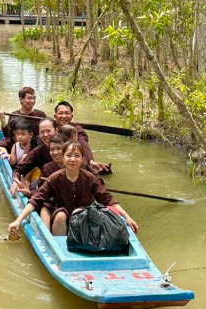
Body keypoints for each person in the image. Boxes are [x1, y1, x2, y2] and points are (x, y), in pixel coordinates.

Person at [8, 142, 138, 237]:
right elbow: (36, 199)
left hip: (83, 217)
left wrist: (127, 217)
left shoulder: (90, 178)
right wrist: (18, 221)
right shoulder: (55, 178)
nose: (72, 159)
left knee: (79, 212)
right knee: (60, 216)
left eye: (77, 156)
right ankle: (58, 247)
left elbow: (107, 199)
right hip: (61, 217)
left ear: (82, 159)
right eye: (69, 155)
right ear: (63, 158)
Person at [53, 100, 111, 174]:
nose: (64, 116)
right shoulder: (51, 128)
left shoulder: (77, 129)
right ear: (55, 116)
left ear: (71, 116)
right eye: (60, 113)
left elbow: (83, 143)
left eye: (67, 113)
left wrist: (91, 161)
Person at [10, 117, 57, 196]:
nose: (45, 135)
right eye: (42, 132)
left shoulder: (66, 147)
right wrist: (16, 179)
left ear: (56, 130)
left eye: (48, 131)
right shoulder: (39, 150)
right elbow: (20, 169)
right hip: (46, 184)